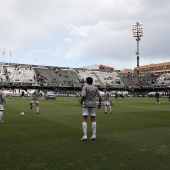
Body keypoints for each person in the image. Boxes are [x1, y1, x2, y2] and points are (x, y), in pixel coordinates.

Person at [80, 77, 102, 141]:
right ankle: (94, 135)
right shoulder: (95, 87)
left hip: (86, 105)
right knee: (93, 119)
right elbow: (100, 96)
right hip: (93, 105)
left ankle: (85, 135)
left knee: (84, 118)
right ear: (92, 81)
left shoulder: (85, 87)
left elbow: (83, 95)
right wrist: (100, 104)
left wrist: (81, 102)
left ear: (86, 81)